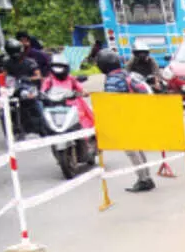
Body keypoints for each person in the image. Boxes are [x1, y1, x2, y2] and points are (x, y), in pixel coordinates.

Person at [96, 48, 157, 193]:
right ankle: (147, 177)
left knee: (131, 150)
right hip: (137, 116)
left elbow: (111, 103)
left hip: (126, 119)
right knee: (138, 148)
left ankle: (143, 180)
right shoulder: (126, 74)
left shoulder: (112, 80)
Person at [40, 61, 95, 129]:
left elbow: (81, 89)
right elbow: (42, 91)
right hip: (53, 104)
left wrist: (84, 93)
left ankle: (86, 130)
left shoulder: (71, 78)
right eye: (57, 67)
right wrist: (42, 95)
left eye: (61, 67)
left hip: (72, 104)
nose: (59, 70)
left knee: (84, 114)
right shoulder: (49, 79)